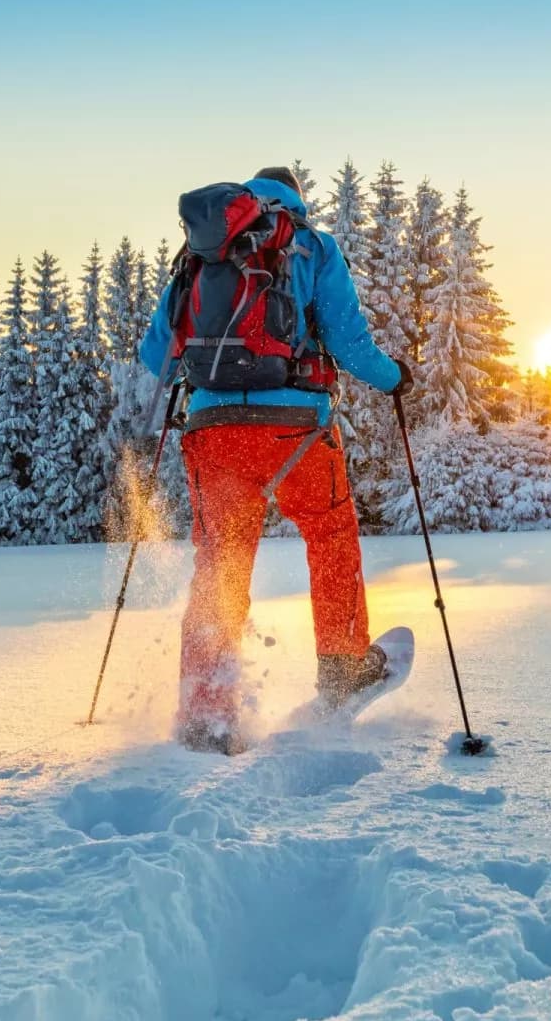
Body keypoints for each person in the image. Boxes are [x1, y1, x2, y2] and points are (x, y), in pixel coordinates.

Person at [138, 166, 410, 752]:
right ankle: (341, 670)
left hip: (212, 432)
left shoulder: (200, 254)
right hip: (296, 430)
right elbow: (347, 341)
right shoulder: (310, 245)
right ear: (296, 200)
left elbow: (155, 353)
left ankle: (207, 714)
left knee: (221, 563)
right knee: (330, 534)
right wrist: (394, 380)